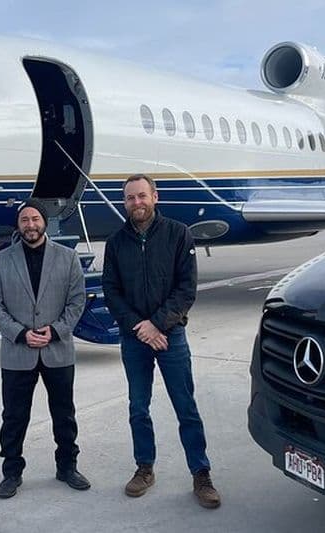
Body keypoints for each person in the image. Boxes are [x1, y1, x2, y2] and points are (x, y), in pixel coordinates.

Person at [101, 174, 221, 509]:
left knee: (186, 407)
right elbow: (111, 291)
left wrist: (157, 325)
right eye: (130, 198)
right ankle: (144, 468)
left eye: (142, 196)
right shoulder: (116, 243)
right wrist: (140, 327)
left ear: (155, 197)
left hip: (171, 336)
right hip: (135, 337)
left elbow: (186, 289)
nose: (136, 203)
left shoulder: (178, 234)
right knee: (138, 407)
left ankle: (201, 473)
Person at [0, 198, 90, 499]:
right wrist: (19, 334)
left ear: (44, 222)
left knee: (64, 414)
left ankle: (67, 467)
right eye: (24, 220)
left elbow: (77, 301)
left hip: (57, 350)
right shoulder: (1, 260)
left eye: (35, 219)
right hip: (19, 352)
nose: (30, 225)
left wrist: (55, 330)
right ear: (19, 225)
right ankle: (11, 472)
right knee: (14, 417)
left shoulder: (67, 258)